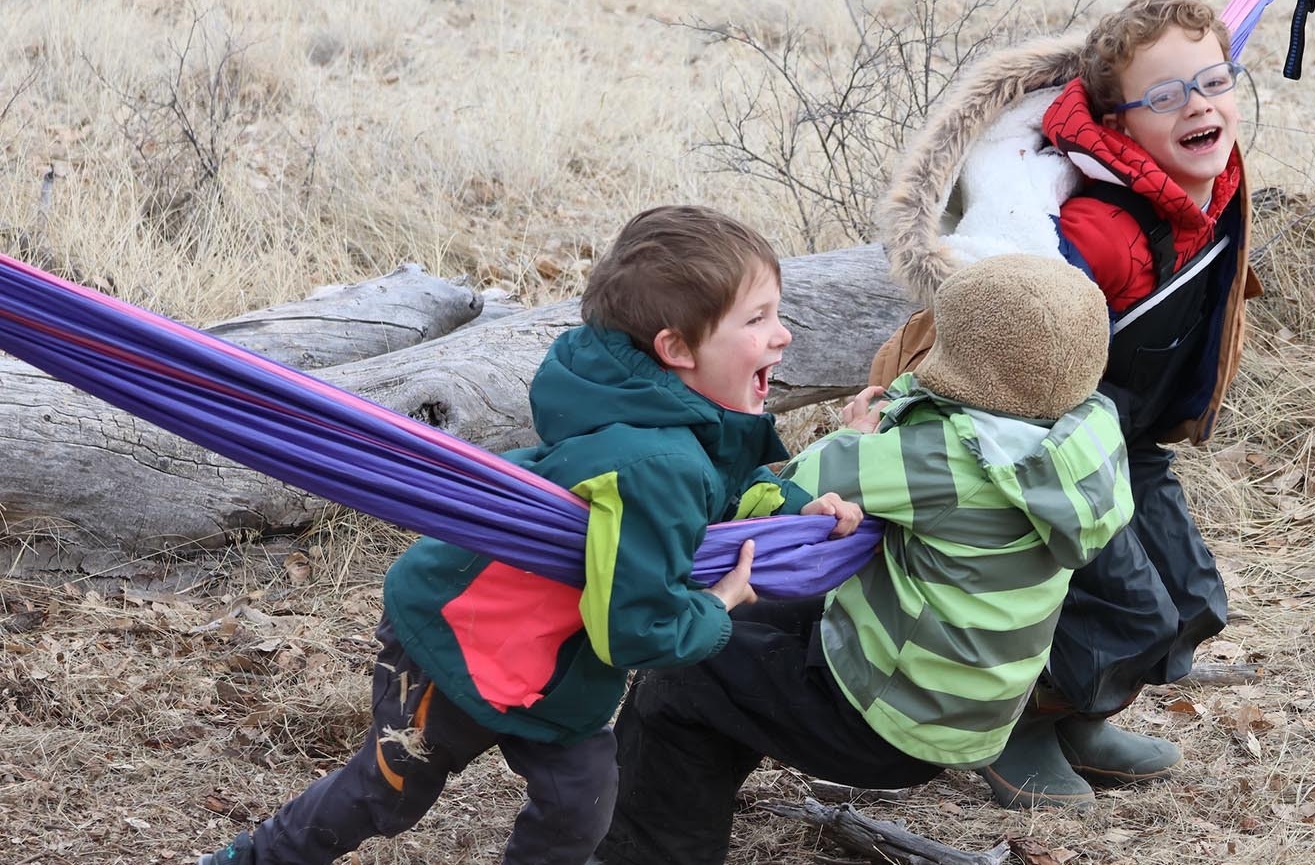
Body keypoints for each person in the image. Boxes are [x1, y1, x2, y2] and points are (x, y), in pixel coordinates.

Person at [197, 205, 862, 865]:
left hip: (554, 672)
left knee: (580, 809)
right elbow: (637, 628)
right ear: (677, 349)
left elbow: (731, 488)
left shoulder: (673, 412)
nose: (783, 336)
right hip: (463, 644)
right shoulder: (660, 463)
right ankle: (252, 859)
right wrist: (719, 606)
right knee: (387, 794)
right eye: (757, 320)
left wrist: (796, 513)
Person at [592, 253, 1137, 865]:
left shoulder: (936, 458)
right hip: (967, 707)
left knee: (685, 673)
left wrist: (858, 434)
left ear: (961, 353)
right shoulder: (1087, 433)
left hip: (889, 724)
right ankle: (703, 783)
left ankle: (642, 854)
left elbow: (795, 490)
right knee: (749, 624)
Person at [870, 0, 1263, 808]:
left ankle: (1084, 714)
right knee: (1121, 608)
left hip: (1124, 434)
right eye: (1165, 95)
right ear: (1117, 126)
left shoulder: (1209, 185)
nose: (1198, 105)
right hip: (1047, 451)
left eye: (1213, 82)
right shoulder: (1100, 232)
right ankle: (1019, 729)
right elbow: (1004, 337)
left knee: (1187, 601)